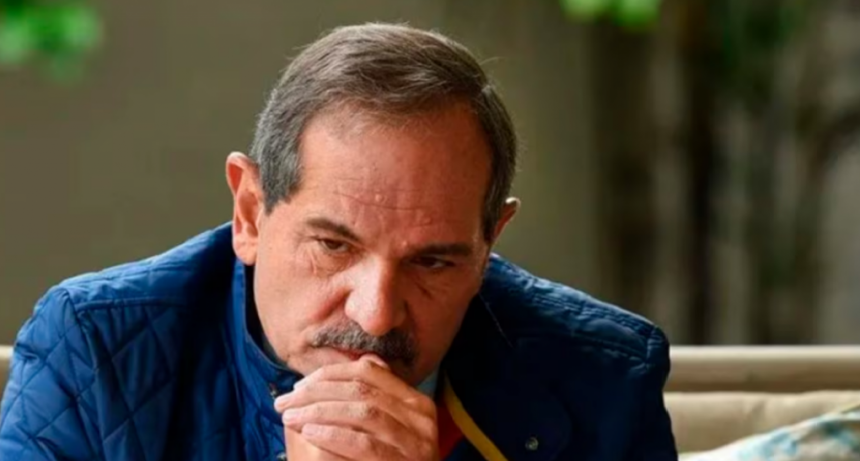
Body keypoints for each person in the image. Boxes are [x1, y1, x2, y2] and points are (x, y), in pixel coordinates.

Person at [0, 23, 677, 461]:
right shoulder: (95, 347)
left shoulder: (606, 379)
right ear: (250, 213)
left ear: (489, 242)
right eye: (333, 245)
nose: (375, 315)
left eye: (432, 261)